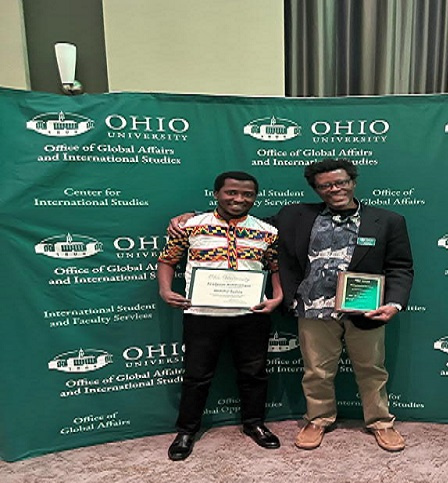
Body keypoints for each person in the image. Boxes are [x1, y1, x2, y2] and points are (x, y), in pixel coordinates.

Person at [168, 159, 414, 452]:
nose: (334, 189)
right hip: (312, 309)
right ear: (316, 189)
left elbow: (400, 267)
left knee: (372, 369)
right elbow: (243, 221)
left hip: (365, 308)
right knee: (316, 371)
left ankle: (380, 423)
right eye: (325, 185)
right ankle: (319, 419)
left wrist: (395, 303)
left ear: (353, 182)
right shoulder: (294, 215)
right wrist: (194, 218)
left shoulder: (388, 220)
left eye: (341, 182)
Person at [158, 171, 282, 461]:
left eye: (247, 194)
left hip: (251, 313)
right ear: (216, 194)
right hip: (202, 313)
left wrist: (277, 297)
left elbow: (275, 267)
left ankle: (255, 424)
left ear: (255, 197)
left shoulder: (268, 231)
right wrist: (165, 290)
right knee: (196, 375)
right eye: (231, 193)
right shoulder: (189, 226)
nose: (239, 199)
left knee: (254, 373)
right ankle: (187, 430)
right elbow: (167, 260)